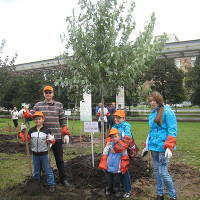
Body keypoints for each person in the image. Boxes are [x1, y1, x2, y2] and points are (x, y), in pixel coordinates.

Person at [29, 85, 71, 186]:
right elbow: (31, 115)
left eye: (50, 92)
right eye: (46, 92)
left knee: (59, 159)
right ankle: (42, 179)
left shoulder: (59, 105)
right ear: (44, 94)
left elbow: (62, 119)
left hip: (56, 137)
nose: (48, 94)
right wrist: (25, 114)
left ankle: (63, 179)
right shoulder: (38, 105)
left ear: (53, 93)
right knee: (43, 159)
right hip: (43, 138)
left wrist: (65, 133)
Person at [142, 91, 177, 200]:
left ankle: (173, 195)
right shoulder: (152, 113)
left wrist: (169, 146)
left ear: (159, 100)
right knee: (157, 172)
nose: (152, 103)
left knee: (163, 172)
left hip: (164, 147)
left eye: (154, 100)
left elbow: (172, 130)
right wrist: (146, 145)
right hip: (153, 147)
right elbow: (152, 131)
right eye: (150, 101)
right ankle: (160, 194)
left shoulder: (168, 111)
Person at [19, 111, 56, 192]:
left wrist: (51, 140)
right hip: (35, 154)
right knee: (36, 171)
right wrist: (22, 132)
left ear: (43, 120)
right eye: (36, 119)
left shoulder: (47, 130)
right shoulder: (31, 130)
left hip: (45, 154)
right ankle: (36, 183)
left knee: (48, 170)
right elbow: (26, 139)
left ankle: (51, 184)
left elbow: (52, 141)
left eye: (39, 119)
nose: (37, 121)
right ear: (34, 120)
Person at [99, 128, 129, 198]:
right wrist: (103, 165)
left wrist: (123, 166)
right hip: (109, 168)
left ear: (119, 137)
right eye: (112, 137)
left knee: (116, 182)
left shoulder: (122, 147)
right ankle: (108, 189)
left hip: (117, 169)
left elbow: (125, 157)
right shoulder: (109, 146)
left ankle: (117, 190)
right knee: (109, 181)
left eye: (115, 136)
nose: (114, 138)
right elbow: (104, 155)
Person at [110, 109, 134, 198]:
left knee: (124, 170)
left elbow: (127, 140)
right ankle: (116, 188)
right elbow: (109, 139)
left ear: (123, 118)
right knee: (115, 171)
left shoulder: (126, 127)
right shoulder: (113, 127)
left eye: (119, 118)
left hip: (123, 153)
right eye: (115, 117)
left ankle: (128, 190)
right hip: (114, 154)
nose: (116, 119)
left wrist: (116, 148)